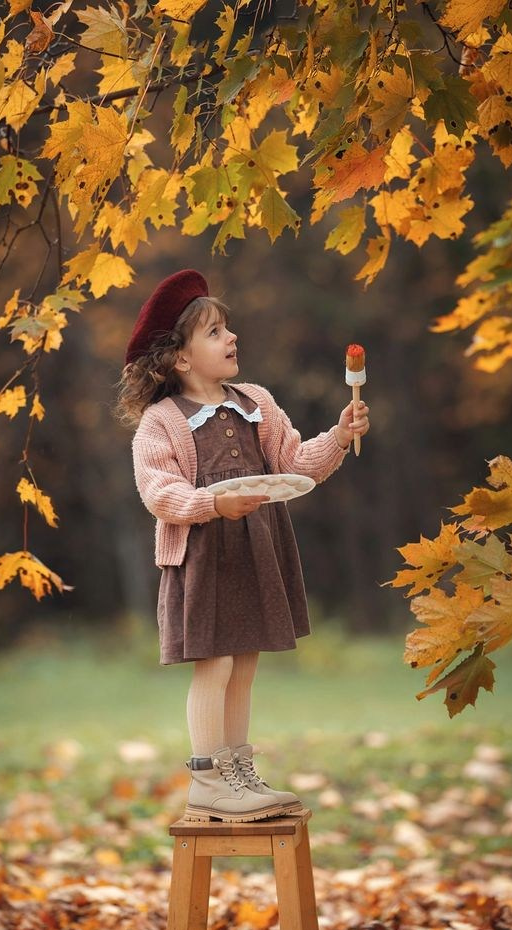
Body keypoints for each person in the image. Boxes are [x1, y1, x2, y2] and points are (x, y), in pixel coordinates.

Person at [117, 269, 370, 822]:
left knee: (246, 662)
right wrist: (213, 505)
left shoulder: (254, 401)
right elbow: (160, 493)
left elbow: (295, 464)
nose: (231, 338)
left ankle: (238, 770)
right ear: (180, 358)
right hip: (205, 555)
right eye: (214, 332)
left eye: (228, 328)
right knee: (215, 664)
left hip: (257, 549)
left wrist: (340, 435)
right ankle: (207, 778)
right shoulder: (161, 422)